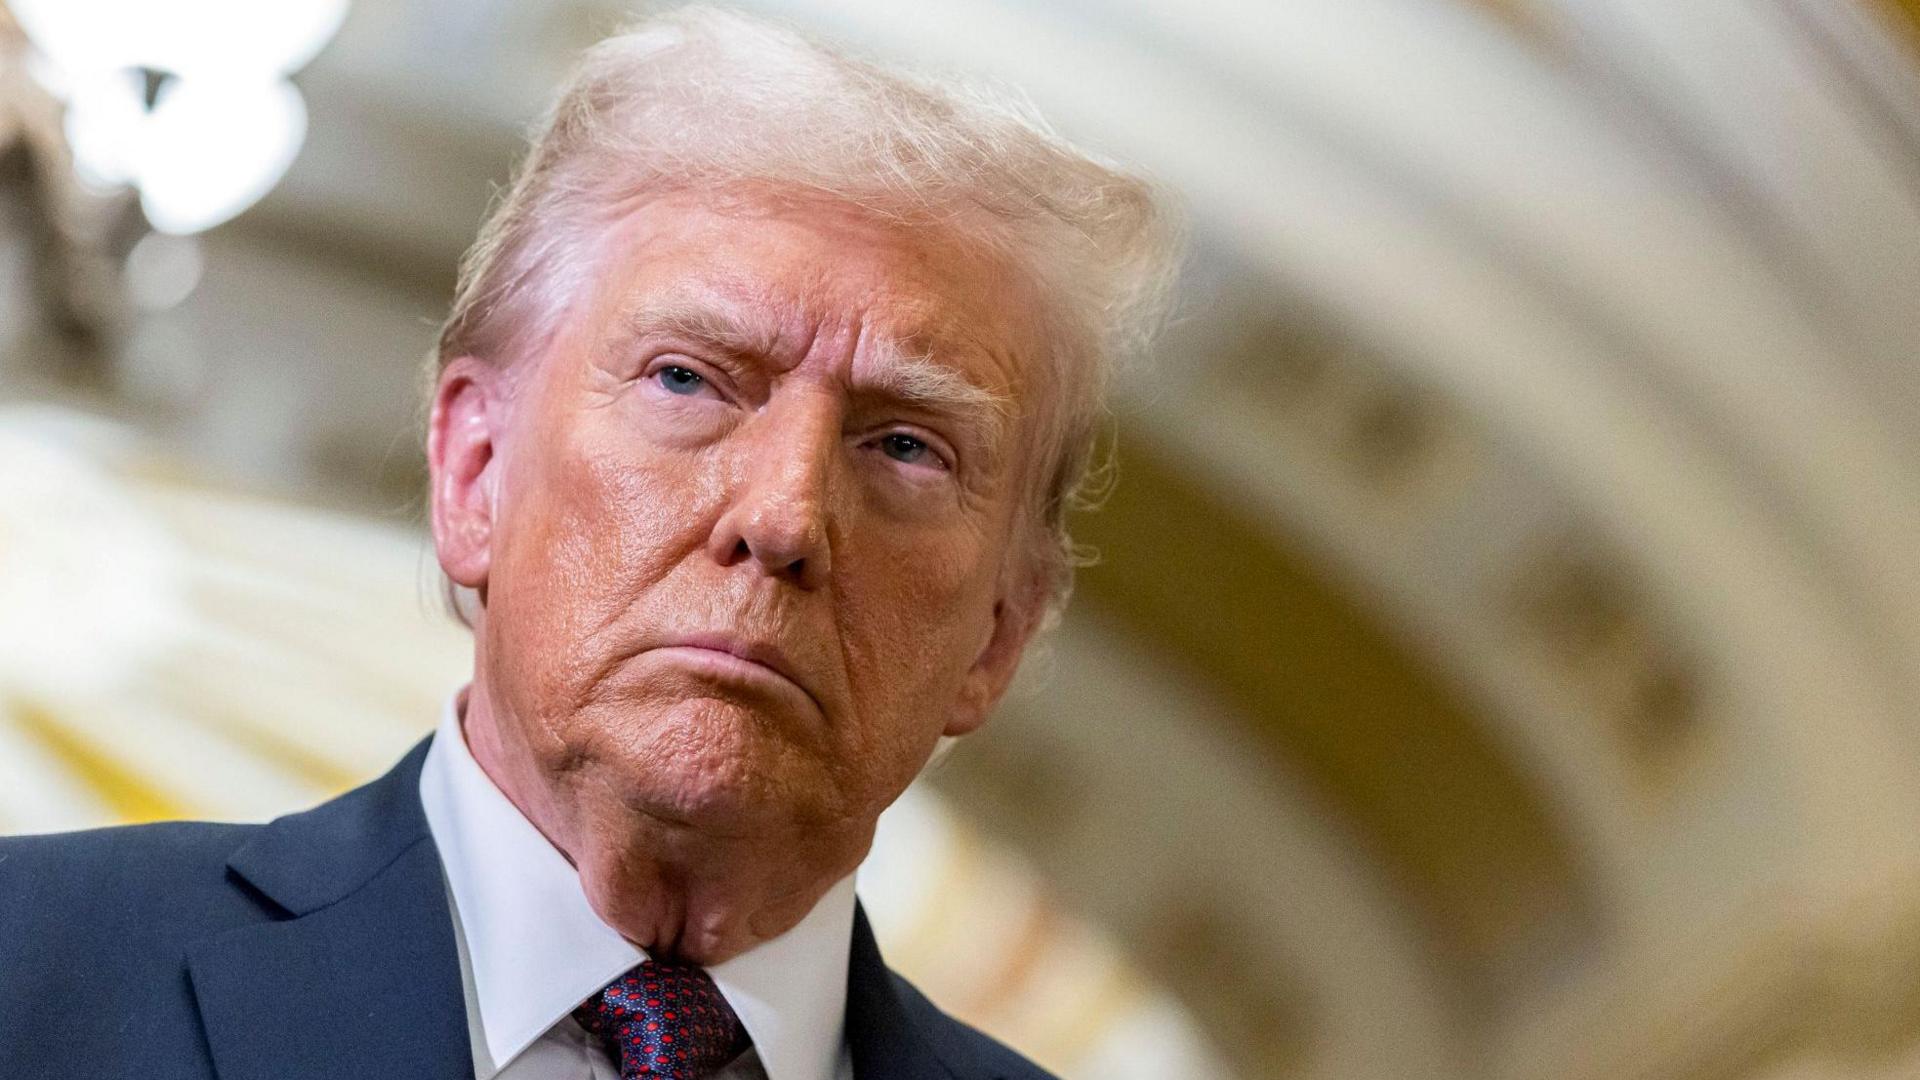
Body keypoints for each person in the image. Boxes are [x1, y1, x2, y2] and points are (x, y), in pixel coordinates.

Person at [0, 7, 1178, 1079]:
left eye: (908, 447)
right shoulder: (34, 976)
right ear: (475, 472)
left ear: (1000, 636)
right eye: (688, 380)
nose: (780, 518)